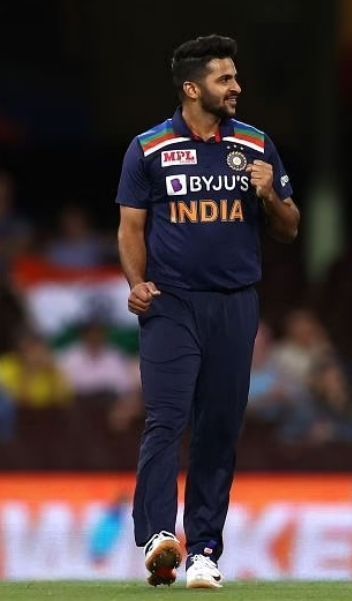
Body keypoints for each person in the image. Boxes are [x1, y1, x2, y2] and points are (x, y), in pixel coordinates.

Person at [115, 34, 300, 589]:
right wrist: (137, 282)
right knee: (166, 420)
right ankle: (157, 537)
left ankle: (205, 552)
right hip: (171, 304)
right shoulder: (148, 148)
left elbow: (290, 228)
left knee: (219, 429)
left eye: (236, 77)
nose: (237, 87)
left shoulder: (256, 144)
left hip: (235, 305)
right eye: (225, 79)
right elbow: (131, 227)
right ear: (193, 88)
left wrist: (270, 195)